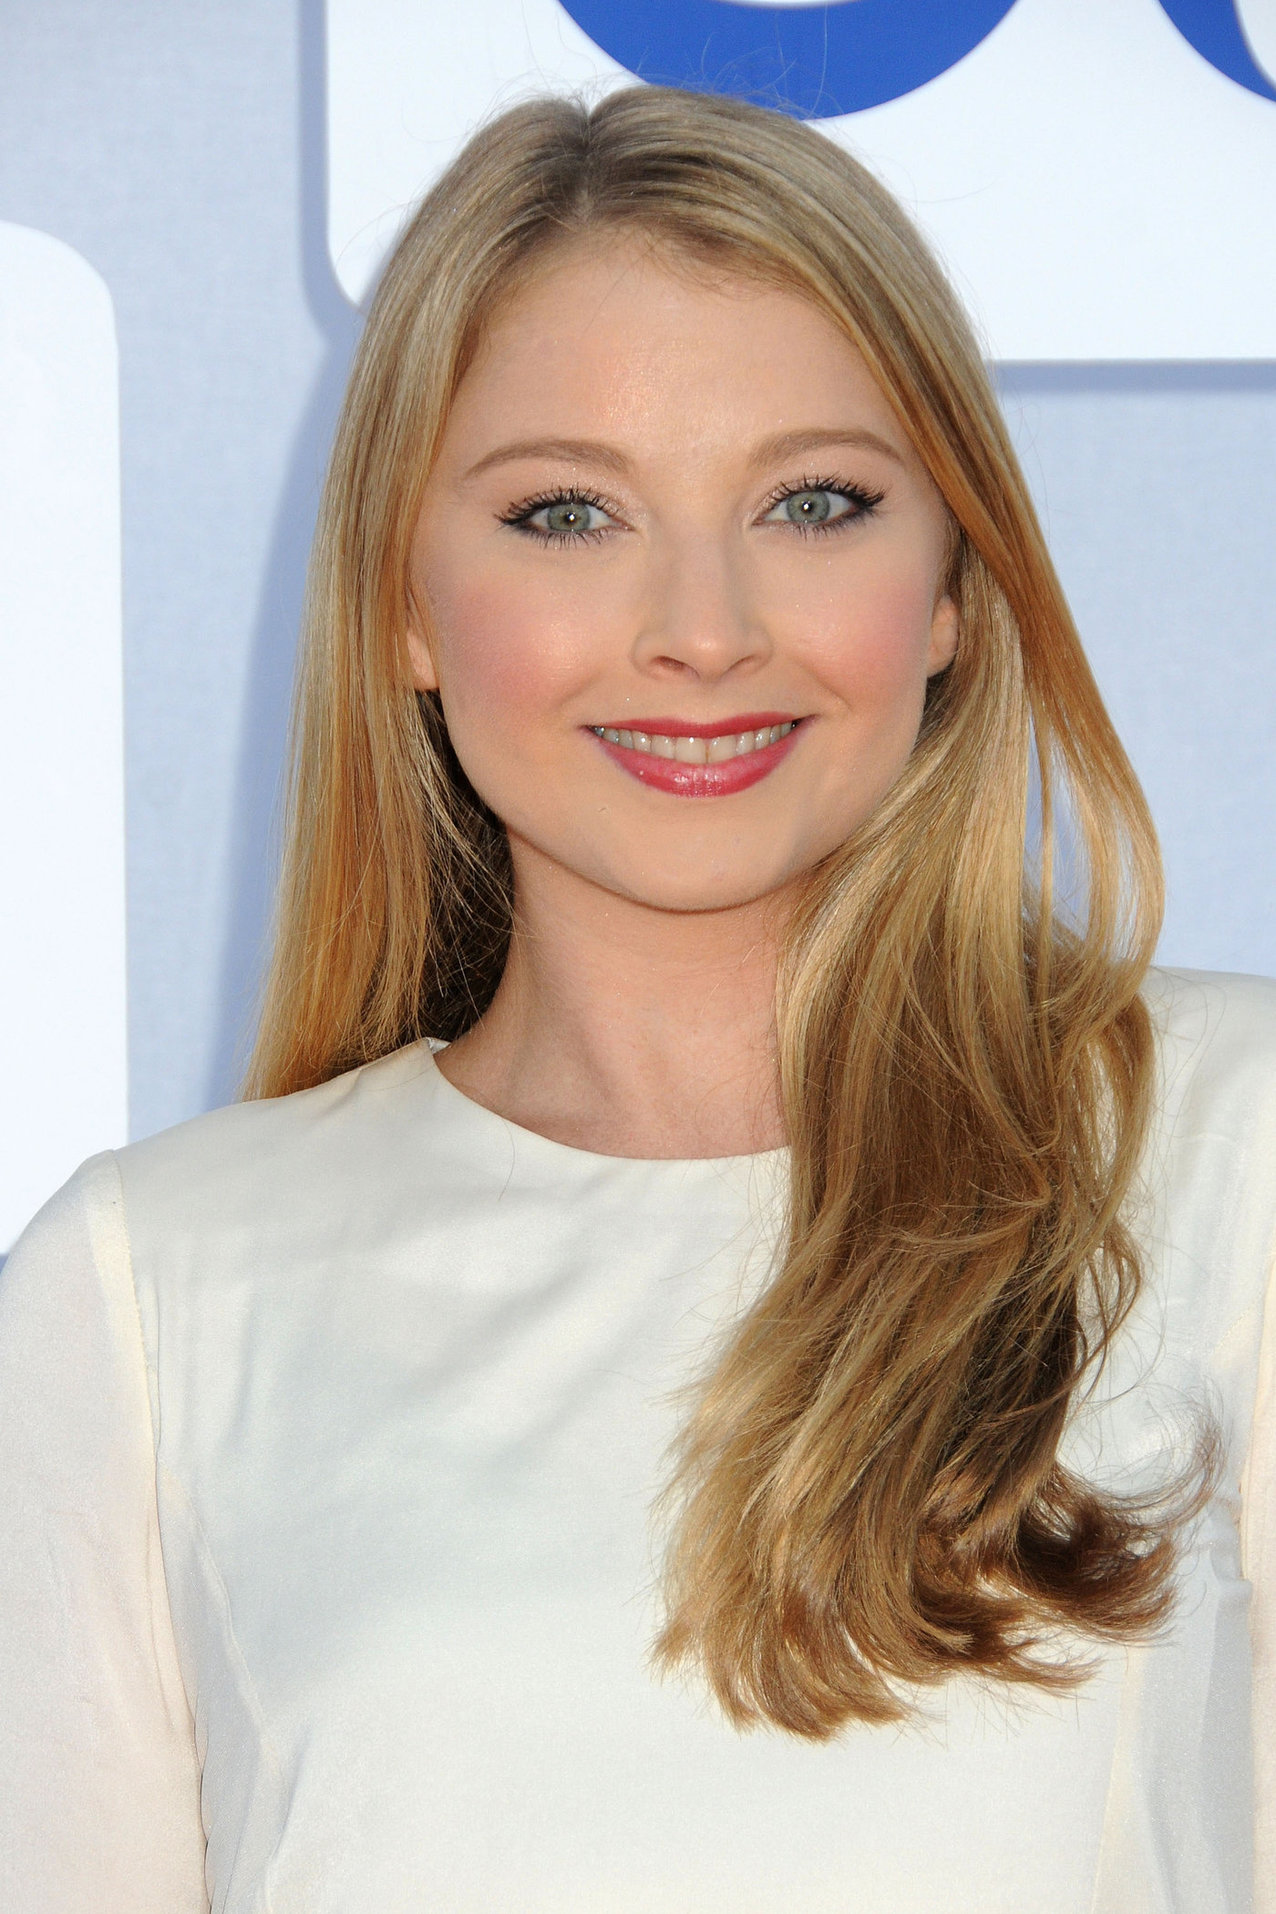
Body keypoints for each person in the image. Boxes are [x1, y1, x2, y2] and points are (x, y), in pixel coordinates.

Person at [1, 82, 1273, 1914]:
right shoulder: (146, 1290)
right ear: (407, 609)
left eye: (814, 501)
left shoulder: (1234, 1153)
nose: (702, 623)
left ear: (953, 596)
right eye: (570, 512)